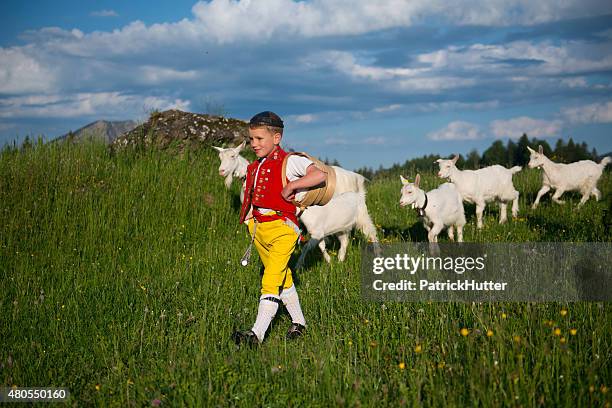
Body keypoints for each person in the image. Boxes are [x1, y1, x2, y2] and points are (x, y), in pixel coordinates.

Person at [233, 111, 328, 346]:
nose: (253, 144)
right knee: (283, 277)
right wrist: (248, 219)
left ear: (276, 138)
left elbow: (319, 174)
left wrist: (294, 185)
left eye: (259, 139)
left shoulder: (289, 160)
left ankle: (257, 334)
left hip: (283, 228)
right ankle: (299, 323)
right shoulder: (255, 166)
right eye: (251, 139)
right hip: (259, 229)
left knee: (270, 277)